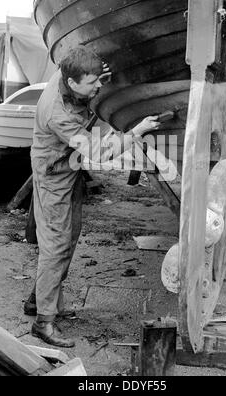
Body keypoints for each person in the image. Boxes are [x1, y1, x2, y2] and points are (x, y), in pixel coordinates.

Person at [24, 46, 160, 347]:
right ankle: (43, 322)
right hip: (54, 175)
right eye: (92, 83)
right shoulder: (56, 114)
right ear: (72, 83)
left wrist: (98, 75)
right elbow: (99, 152)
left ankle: (39, 299)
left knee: (70, 235)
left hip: (68, 166)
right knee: (56, 244)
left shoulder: (66, 76)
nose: (99, 86)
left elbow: (83, 75)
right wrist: (136, 132)